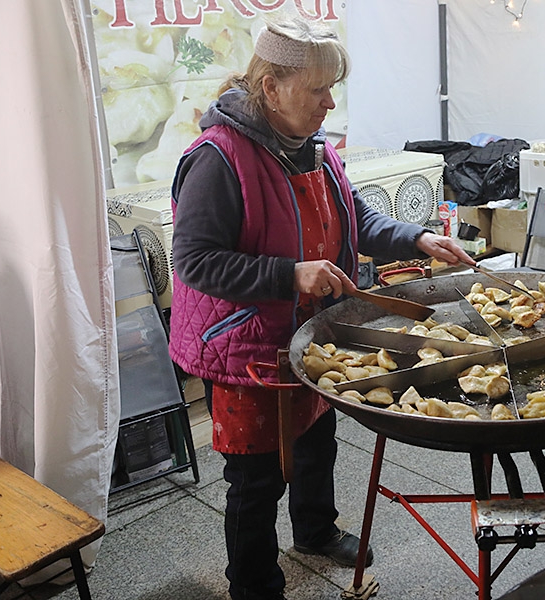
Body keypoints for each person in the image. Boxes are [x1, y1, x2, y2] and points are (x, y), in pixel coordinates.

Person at [168, 17, 475, 600]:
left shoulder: (313, 148)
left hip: (311, 332)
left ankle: (314, 531)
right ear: (271, 89)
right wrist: (290, 274)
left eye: (332, 88)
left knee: (316, 439)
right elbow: (196, 262)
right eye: (317, 91)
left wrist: (416, 239)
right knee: (254, 478)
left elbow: (354, 218)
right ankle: (254, 583)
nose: (330, 103)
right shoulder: (217, 158)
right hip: (249, 343)